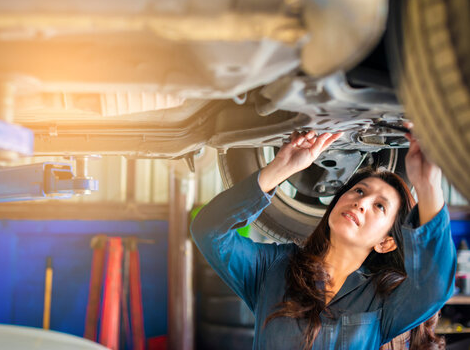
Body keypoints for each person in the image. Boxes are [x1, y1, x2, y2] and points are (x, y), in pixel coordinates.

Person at [191, 128, 456, 350]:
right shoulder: (273, 269)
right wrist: (280, 169)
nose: (361, 202)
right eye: (359, 190)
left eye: (379, 206)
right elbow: (208, 230)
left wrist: (428, 185)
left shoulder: (381, 301)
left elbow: (435, 287)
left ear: (385, 242)